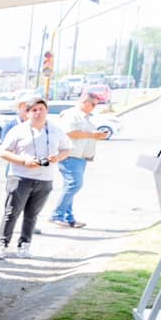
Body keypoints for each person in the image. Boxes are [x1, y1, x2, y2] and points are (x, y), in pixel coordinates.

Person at [0, 101, 64, 259]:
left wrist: (57, 157)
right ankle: (1, 244)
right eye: (34, 110)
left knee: (32, 215)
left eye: (41, 109)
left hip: (45, 179)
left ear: (46, 111)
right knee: (11, 212)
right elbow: (3, 152)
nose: (38, 113)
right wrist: (23, 160)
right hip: (20, 177)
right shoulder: (18, 130)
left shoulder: (55, 130)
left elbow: (67, 148)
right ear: (28, 113)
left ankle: (24, 245)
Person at [50, 90, 110, 227]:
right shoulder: (71, 114)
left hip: (81, 157)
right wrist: (92, 135)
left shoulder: (87, 117)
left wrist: (98, 135)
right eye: (93, 104)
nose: (95, 107)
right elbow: (70, 132)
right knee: (74, 185)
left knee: (70, 186)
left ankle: (68, 218)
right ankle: (57, 215)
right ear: (84, 102)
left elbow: (86, 134)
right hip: (70, 155)